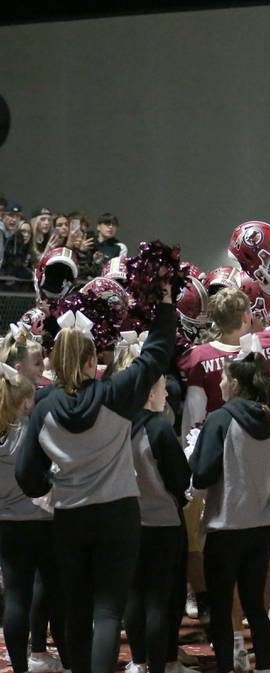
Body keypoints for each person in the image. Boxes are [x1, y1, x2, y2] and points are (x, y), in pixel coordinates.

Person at [16, 283, 176, 673]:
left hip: (70, 518)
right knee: (108, 612)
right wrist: (165, 305)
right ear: (91, 362)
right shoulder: (115, 393)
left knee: (76, 609)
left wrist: (49, 488)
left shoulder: (43, 408)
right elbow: (155, 356)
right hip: (119, 514)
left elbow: (26, 474)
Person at [189, 351, 270, 673]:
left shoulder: (220, 419)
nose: (221, 381)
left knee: (221, 605)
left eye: (225, 377)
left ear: (237, 383)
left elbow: (201, 474)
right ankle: (264, 668)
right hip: (260, 527)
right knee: (255, 604)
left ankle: (226, 667)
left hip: (225, 526)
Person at [0, 364, 70, 673]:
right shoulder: (33, 430)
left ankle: (19, 668)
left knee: (16, 597)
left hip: (7, 525)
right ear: (26, 402)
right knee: (56, 595)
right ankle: (69, 662)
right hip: (43, 522)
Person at [123, 372, 192, 673]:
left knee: (135, 594)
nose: (166, 395)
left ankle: (138, 662)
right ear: (150, 395)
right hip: (163, 523)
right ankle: (164, 664)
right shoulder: (160, 429)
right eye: (163, 390)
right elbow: (181, 480)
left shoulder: (120, 428)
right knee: (160, 601)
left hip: (128, 522)